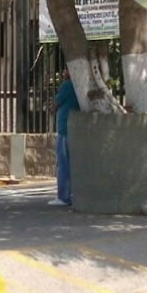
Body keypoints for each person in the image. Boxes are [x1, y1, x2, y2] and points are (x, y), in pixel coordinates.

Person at [50, 68, 81, 207]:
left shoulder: (67, 85)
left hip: (64, 129)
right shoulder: (80, 85)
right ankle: (74, 194)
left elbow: (55, 104)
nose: (63, 72)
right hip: (76, 130)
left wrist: (52, 107)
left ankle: (63, 196)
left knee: (63, 164)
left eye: (66, 70)